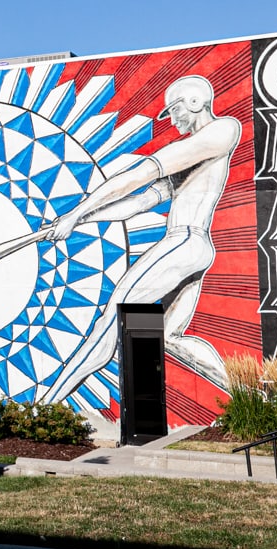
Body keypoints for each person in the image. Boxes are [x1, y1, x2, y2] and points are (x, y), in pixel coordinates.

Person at [42, 75, 239, 403]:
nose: (172, 120)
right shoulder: (193, 156)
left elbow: (139, 175)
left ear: (194, 101)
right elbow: (137, 202)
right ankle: (252, 396)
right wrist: (77, 221)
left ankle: (43, 408)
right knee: (172, 337)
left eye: (175, 110)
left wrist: (76, 212)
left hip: (184, 241)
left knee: (109, 325)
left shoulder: (221, 130)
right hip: (194, 247)